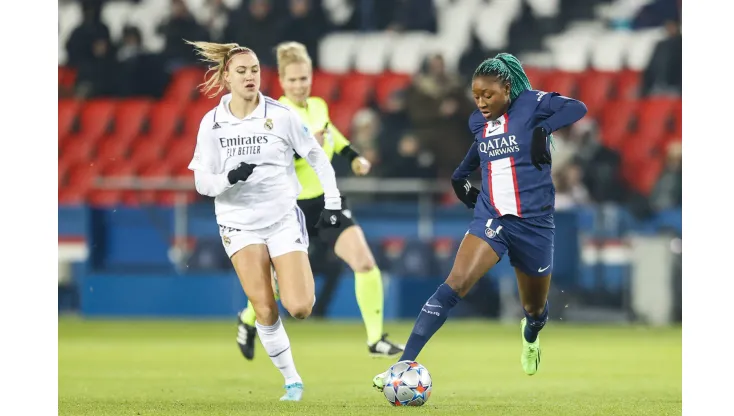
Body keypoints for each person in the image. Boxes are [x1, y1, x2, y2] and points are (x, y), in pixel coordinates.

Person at [372, 53, 588, 390]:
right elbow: (481, 146)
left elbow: (578, 108)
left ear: (506, 88)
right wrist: (460, 175)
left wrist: (544, 127)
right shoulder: (478, 121)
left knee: (534, 308)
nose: (482, 102)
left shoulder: (532, 104)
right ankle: (400, 366)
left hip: (535, 225)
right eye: (476, 96)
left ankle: (531, 333)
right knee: (454, 284)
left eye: (488, 95)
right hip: (492, 217)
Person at [185, 40, 345, 402]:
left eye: (254, 70)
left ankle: (278, 270)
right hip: (238, 223)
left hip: (281, 218)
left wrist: (332, 202)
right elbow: (201, 181)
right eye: (241, 71)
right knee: (264, 308)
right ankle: (292, 381)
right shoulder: (212, 124)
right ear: (226, 78)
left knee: (301, 307)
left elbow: (317, 157)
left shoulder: (282, 116)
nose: (249, 77)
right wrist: (230, 178)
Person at [236, 41, 405, 360]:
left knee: (365, 262)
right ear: (282, 82)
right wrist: (302, 147)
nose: (300, 85)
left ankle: (375, 339)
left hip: (326, 202)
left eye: (304, 79)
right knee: (272, 283)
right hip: (289, 208)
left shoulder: (318, 106)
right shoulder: (273, 115)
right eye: (293, 80)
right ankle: (247, 321)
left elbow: (334, 136)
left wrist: (354, 156)